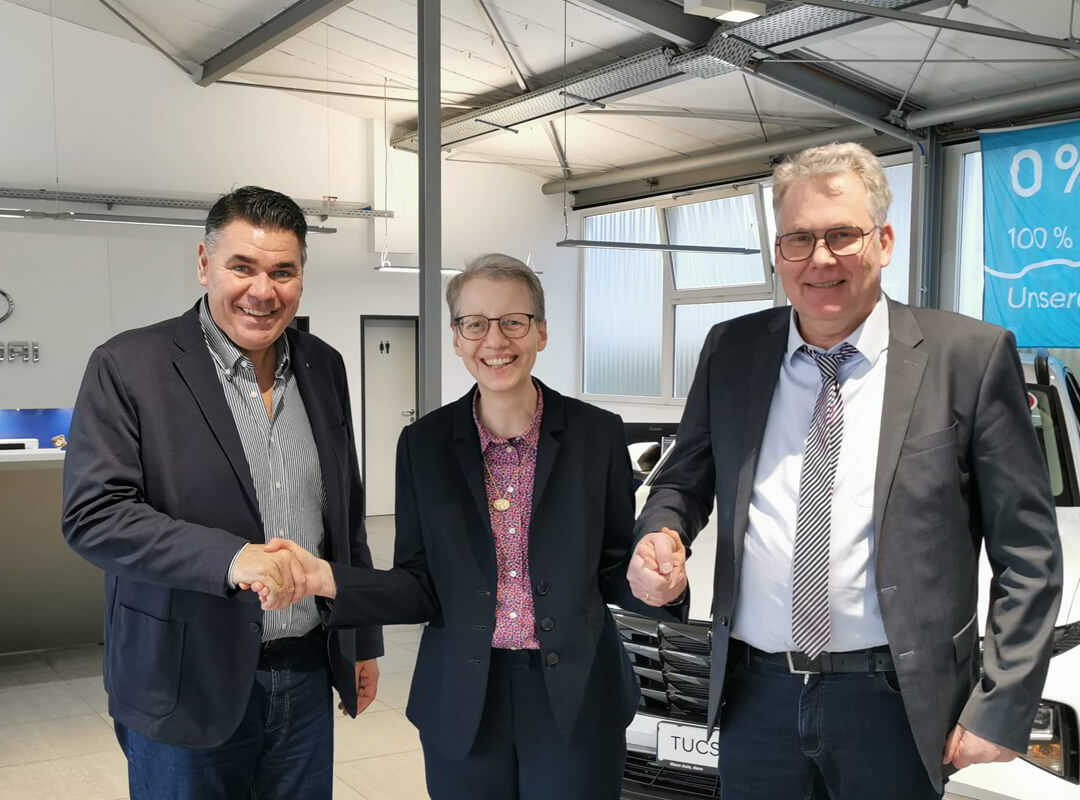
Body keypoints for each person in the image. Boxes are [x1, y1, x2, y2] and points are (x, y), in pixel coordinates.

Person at [628, 142, 1062, 799]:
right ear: (778, 253)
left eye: (841, 235)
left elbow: (1027, 551)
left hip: (893, 701)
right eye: (799, 239)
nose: (820, 258)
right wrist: (661, 533)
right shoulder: (732, 349)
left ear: (883, 242)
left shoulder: (968, 357)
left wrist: (1001, 702)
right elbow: (682, 481)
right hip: (756, 695)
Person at [262, 254, 657, 799]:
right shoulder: (423, 445)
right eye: (475, 324)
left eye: (513, 322)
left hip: (577, 696)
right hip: (463, 696)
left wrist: (655, 580)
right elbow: (419, 584)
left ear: (540, 332)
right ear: (456, 337)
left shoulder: (597, 435)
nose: (494, 340)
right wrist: (327, 579)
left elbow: (614, 568)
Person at [60, 186, 383, 800]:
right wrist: (232, 558)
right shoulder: (130, 365)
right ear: (204, 263)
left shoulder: (324, 365)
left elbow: (344, 517)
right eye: (242, 267)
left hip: (305, 669)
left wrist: (361, 640)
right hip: (184, 674)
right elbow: (94, 515)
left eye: (282, 271)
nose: (263, 291)